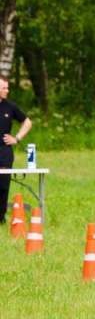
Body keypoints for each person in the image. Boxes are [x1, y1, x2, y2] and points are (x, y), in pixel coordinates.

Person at [0, 76, 32, 224]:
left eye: (7, 87)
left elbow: (27, 122)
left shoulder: (10, 107)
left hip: (4, 152)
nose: (7, 90)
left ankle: (1, 218)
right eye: (4, 88)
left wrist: (17, 138)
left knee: (3, 185)